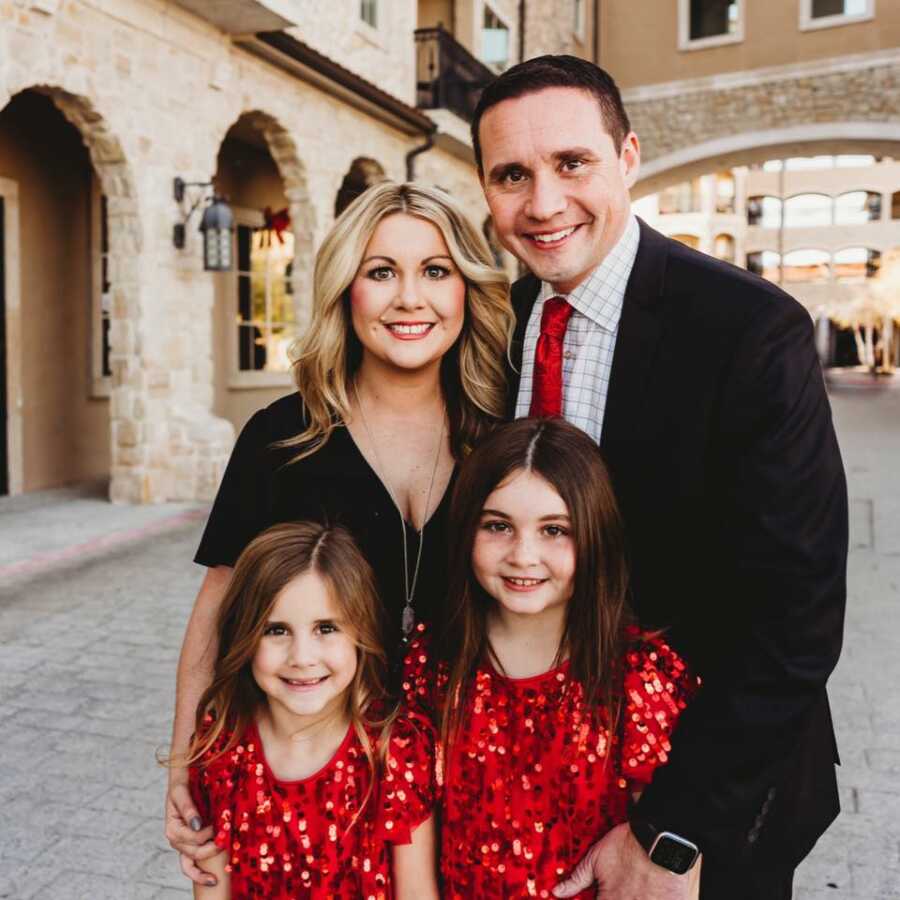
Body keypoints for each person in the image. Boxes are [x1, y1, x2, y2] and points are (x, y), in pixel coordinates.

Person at [471, 55, 848, 900]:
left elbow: (798, 616)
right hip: (532, 787)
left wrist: (671, 831)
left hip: (704, 802)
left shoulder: (751, 332)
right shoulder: (498, 325)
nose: (542, 203)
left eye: (572, 163)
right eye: (511, 175)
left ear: (628, 157)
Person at [165, 181, 513, 884]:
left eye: (436, 271)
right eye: (381, 271)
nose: (409, 298)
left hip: (484, 782)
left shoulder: (504, 440)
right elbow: (218, 608)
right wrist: (184, 763)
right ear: (344, 290)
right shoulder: (281, 438)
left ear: (467, 290)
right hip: (325, 792)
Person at [403, 417, 700, 899]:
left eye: (554, 530)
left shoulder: (637, 677)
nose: (524, 555)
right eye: (498, 526)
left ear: (594, 535)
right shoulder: (432, 663)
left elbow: (666, 870)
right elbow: (410, 823)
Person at [176, 521, 438, 898]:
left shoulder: (394, 752)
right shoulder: (223, 747)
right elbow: (211, 891)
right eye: (276, 630)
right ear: (245, 638)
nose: (302, 657)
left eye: (326, 628)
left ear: (360, 633)